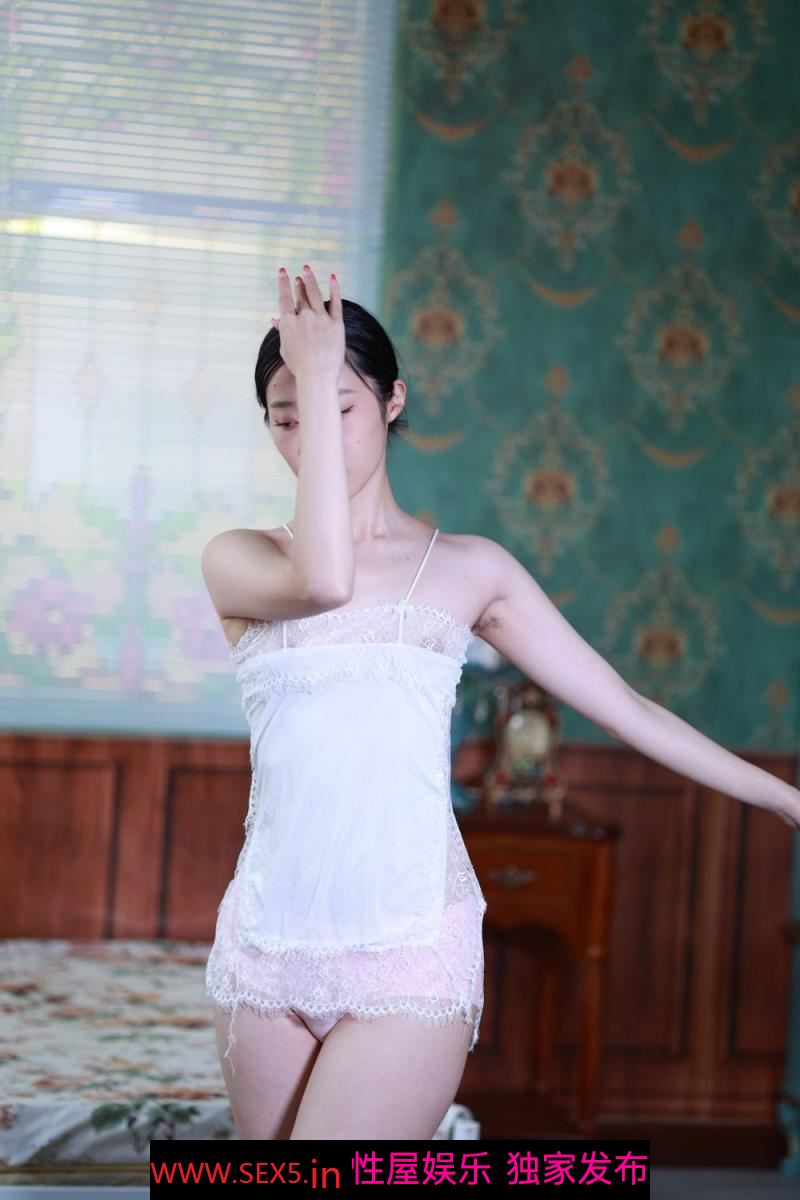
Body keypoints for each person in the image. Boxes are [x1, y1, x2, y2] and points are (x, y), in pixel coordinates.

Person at [200, 266, 800, 1141]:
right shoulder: (239, 559)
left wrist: (784, 796)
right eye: (287, 418)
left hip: (408, 944)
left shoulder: (470, 569)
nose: (308, 434)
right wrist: (318, 371)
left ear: (394, 401)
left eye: (337, 407)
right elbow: (324, 579)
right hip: (265, 944)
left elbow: (628, 707)